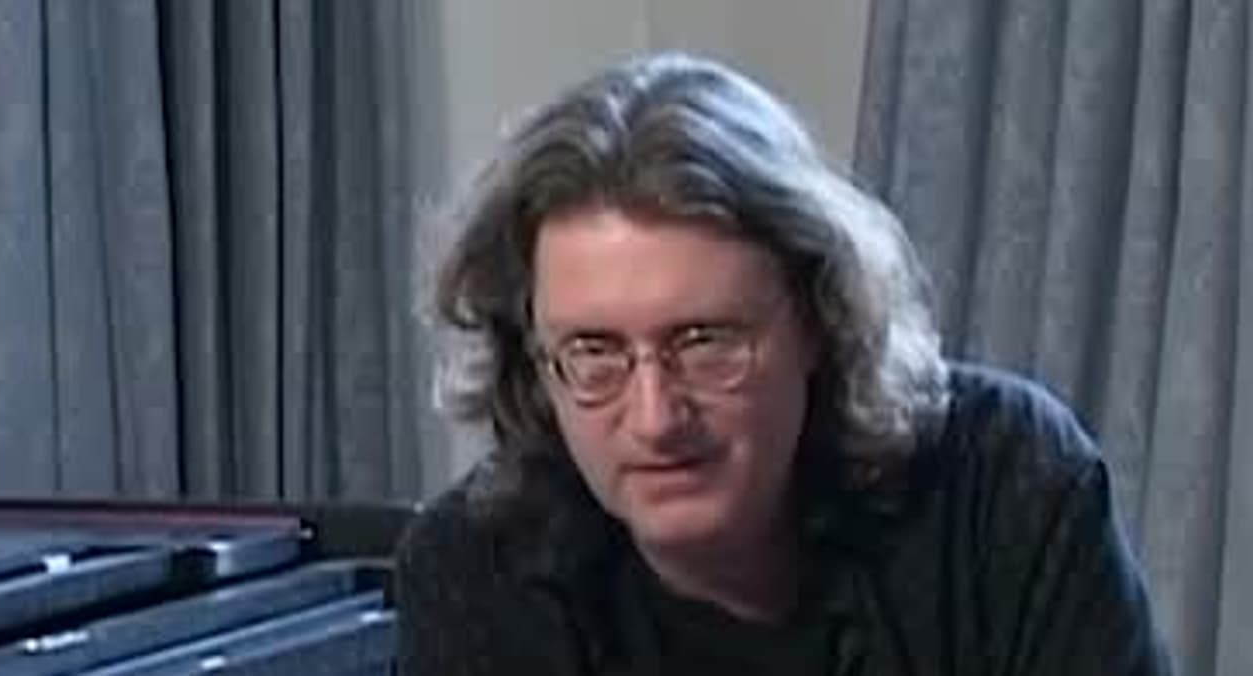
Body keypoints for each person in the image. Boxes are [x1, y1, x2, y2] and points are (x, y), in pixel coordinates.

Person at [394, 52, 1173, 676]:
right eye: (594, 352)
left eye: (706, 342)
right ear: (534, 367)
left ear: (818, 322)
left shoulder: (1005, 488)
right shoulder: (476, 571)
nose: (656, 418)